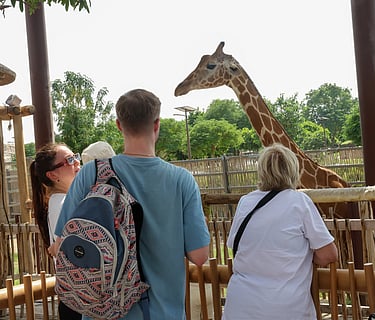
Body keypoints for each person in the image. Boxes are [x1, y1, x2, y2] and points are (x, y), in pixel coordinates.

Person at [53, 88, 210, 319]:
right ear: (156, 124)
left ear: (119, 125)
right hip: (161, 313)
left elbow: (61, 246)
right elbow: (199, 256)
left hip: (101, 313)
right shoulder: (181, 180)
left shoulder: (91, 174)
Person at [222, 143, 338, 320]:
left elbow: (236, 247)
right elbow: (328, 254)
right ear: (293, 170)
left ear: (261, 171)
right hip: (286, 309)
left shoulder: (245, 202)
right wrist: (303, 255)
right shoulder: (299, 201)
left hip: (240, 307)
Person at [30, 143, 82, 320]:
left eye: (75, 156)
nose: (76, 162)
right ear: (52, 175)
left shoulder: (63, 201)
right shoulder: (63, 204)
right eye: (69, 160)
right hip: (80, 301)